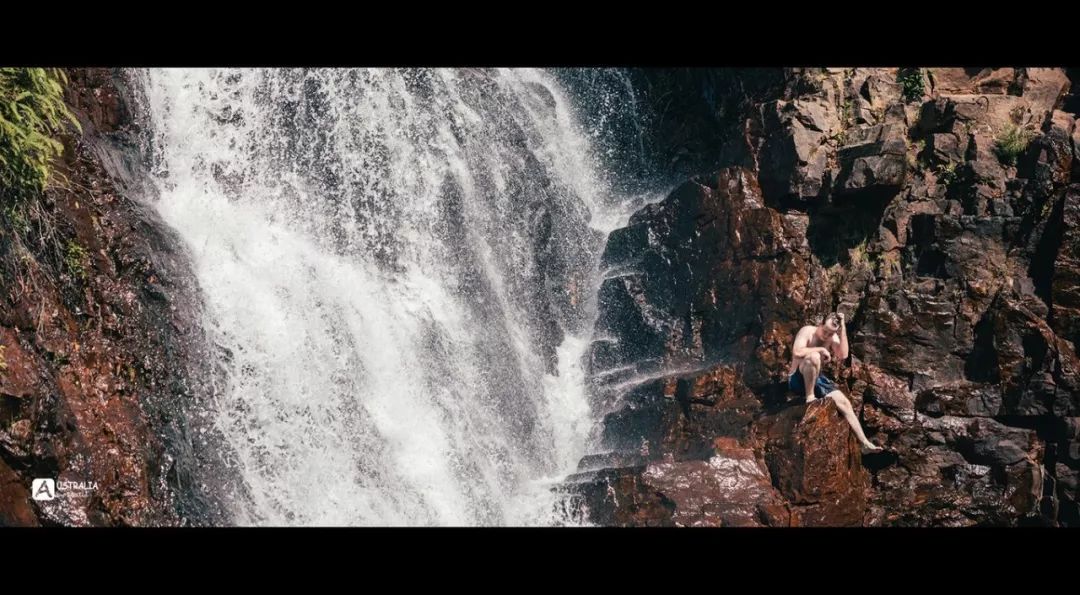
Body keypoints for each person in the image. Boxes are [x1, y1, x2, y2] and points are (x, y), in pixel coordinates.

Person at [788, 312, 883, 452]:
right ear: (820, 324)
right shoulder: (807, 331)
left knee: (844, 402)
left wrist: (843, 327)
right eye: (825, 331)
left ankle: (864, 443)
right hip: (797, 378)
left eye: (830, 334)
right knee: (813, 357)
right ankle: (810, 398)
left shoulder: (832, 337)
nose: (826, 336)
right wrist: (820, 349)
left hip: (816, 379)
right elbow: (796, 352)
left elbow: (843, 355)